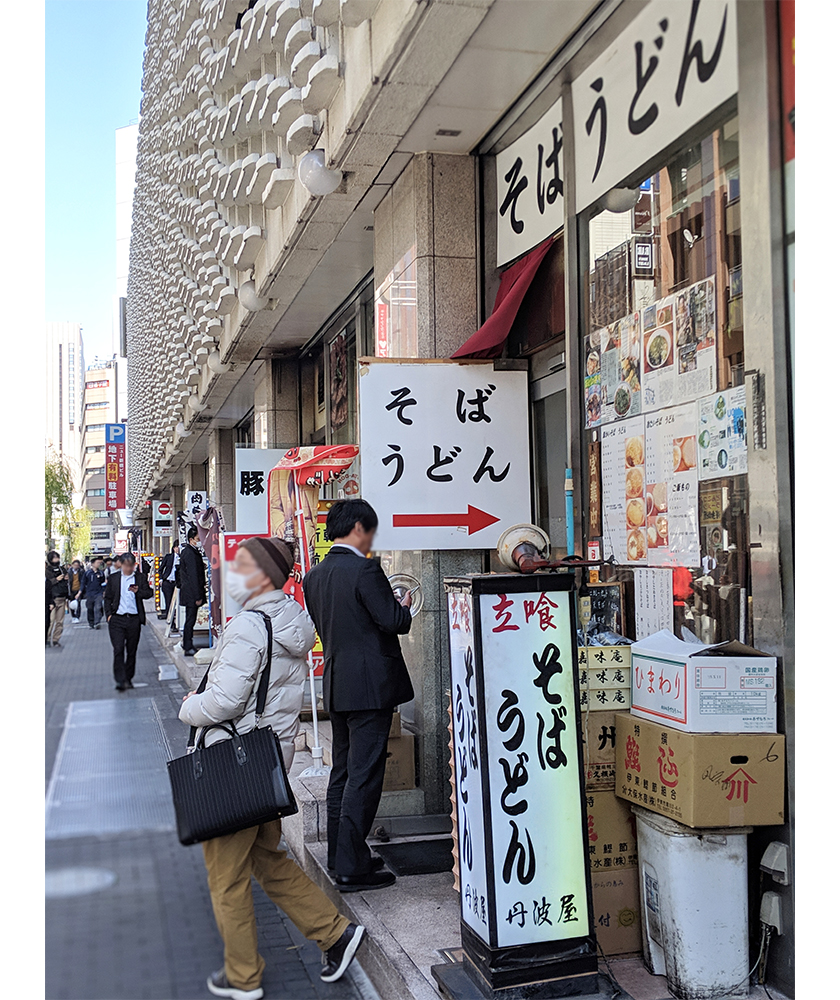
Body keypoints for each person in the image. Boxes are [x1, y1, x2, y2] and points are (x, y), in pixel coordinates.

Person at [179, 537, 366, 1000]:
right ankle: (334, 933)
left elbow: (224, 701)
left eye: (242, 565)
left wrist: (189, 707)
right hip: (267, 762)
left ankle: (243, 977)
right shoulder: (290, 621)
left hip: (233, 764)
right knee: (266, 859)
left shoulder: (248, 626)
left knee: (226, 876)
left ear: (261, 575)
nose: (234, 572)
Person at [302, 499, 413, 892]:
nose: (370, 539)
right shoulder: (366, 569)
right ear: (359, 529)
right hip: (370, 688)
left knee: (344, 772)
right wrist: (404, 604)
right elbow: (392, 621)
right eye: (370, 530)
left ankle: (340, 856)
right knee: (364, 777)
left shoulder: (314, 576)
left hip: (337, 685)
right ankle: (352, 866)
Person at [104, 553, 153, 691]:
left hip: (133, 619)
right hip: (117, 619)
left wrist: (138, 591)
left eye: (131, 566)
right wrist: (109, 615)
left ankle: (128, 677)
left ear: (134, 565)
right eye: (126, 566)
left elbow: (149, 593)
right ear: (121, 565)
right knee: (118, 649)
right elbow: (107, 598)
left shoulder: (140, 578)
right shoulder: (114, 579)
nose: (128, 569)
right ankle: (120, 680)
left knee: (132, 650)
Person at [179, 526, 207, 656]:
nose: (199, 540)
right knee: (190, 620)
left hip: (189, 592)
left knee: (190, 619)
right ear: (191, 539)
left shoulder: (190, 551)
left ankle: (187, 644)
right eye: (197, 538)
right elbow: (193, 575)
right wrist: (197, 596)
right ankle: (188, 645)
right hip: (191, 593)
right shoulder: (190, 553)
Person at [46, 550, 70, 647]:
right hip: (52, 599)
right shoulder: (47, 571)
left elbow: (68, 582)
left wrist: (66, 578)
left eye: (58, 558)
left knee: (60, 621)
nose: (57, 560)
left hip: (62, 597)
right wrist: (56, 580)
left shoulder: (62, 569)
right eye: (55, 558)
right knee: (51, 621)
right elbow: (47, 584)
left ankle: (56, 639)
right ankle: (47, 639)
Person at [80, 556, 107, 629]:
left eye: (100, 563)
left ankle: (97, 622)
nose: (99, 564)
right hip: (89, 593)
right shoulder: (87, 573)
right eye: (97, 563)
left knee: (98, 607)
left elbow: (103, 583)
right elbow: (83, 583)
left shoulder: (101, 573)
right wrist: (80, 592)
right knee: (90, 608)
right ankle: (91, 622)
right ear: (92, 564)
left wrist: (104, 591)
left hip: (98, 593)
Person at [159, 542, 180, 620]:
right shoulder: (168, 557)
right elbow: (160, 569)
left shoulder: (183, 557)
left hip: (177, 583)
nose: (178, 549)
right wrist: (161, 579)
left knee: (178, 604)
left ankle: (177, 621)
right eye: (176, 547)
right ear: (174, 548)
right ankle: (170, 622)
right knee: (169, 603)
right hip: (167, 582)